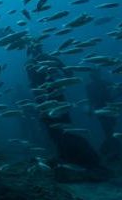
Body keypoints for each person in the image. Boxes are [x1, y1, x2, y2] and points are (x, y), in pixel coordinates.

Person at [25, 40, 103, 170]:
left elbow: (32, 83)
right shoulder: (49, 59)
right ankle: (66, 154)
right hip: (54, 95)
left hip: (46, 97)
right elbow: (69, 73)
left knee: (54, 127)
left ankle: (67, 154)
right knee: (59, 125)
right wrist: (57, 75)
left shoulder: (30, 63)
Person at [85, 69, 122, 161]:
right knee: (108, 129)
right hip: (103, 109)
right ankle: (113, 149)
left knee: (109, 128)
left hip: (104, 108)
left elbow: (121, 89)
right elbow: (90, 99)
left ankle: (109, 149)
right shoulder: (95, 85)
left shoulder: (97, 84)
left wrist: (90, 109)